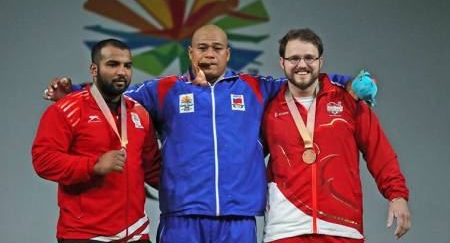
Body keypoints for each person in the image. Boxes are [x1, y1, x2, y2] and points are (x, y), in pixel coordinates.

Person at [43, 25, 367, 243]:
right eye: (202, 48)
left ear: (228, 54)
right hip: (182, 216)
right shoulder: (166, 89)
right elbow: (116, 96)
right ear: (190, 53)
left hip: (237, 219)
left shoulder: (254, 88)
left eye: (216, 48)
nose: (209, 54)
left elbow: (301, 76)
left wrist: (349, 82)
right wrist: (72, 91)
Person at [262, 28, 411, 243]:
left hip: (342, 228)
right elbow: (244, 155)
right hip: (284, 230)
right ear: (282, 63)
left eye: (309, 58)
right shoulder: (268, 109)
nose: (302, 64)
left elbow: (379, 152)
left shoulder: (347, 101)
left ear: (320, 61)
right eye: (294, 58)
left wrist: (397, 195)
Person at [32, 39, 160, 243]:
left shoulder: (139, 114)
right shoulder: (67, 110)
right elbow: (44, 161)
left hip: (136, 234)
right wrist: (93, 165)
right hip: (85, 235)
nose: (122, 72)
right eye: (113, 64)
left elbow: (153, 169)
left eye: (127, 66)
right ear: (94, 69)